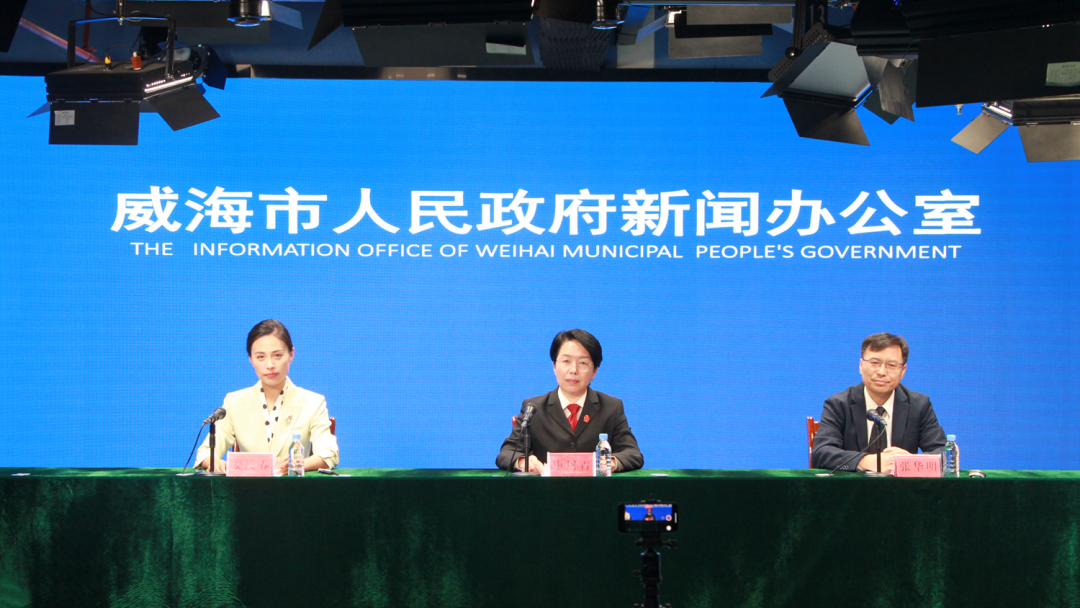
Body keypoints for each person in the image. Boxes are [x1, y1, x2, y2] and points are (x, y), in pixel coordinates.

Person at [197, 320, 339, 474]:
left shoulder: (313, 402)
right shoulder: (234, 402)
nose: (270, 365)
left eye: (277, 355)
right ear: (251, 359)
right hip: (247, 487)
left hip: (294, 487)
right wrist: (214, 462)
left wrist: (298, 463)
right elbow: (205, 453)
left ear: (291, 354)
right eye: (260, 357)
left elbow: (329, 453)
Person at [496, 329, 643, 474]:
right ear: (554, 366)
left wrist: (609, 463)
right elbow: (506, 453)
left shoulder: (611, 407)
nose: (573, 370)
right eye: (566, 361)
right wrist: (524, 462)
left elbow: (633, 453)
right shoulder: (534, 408)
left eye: (583, 363)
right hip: (547, 488)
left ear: (595, 371)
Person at [812, 333, 946, 473]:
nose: (881, 372)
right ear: (861, 365)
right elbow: (821, 453)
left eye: (891, 365)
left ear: (902, 371)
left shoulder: (919, 405)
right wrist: (866, 461)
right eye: (875, 363)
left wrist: (910, 461)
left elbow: (944, 453)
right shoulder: (839, 404)